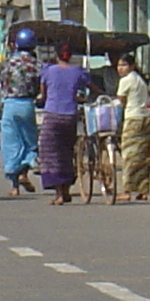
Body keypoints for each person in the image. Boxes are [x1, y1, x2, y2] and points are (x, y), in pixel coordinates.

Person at [37, 43, 99, 205]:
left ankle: (59, 194)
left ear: (56, 55)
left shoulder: (48, 71)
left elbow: (43, 94)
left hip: (52, 115)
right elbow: (93, 88)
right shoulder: (78, 72)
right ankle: (66, 190)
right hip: (70, 116)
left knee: (51, 154)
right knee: (66, 152)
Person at [0, 29, 43, 193]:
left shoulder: (8, 63)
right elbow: (41, 86)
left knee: (11, 144)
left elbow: (1, 81)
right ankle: (24, 171)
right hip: (28, 105)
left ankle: (14, 186)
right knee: (29, 142)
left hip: (9, 105)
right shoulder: (37, 64)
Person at [112, 52, 150, 200]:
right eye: (119, 65)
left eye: (124, 65)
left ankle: (127, 190)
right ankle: (143, 190)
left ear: (131, 66)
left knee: (129, 154)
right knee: (142, 155)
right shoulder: (140, 79)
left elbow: (121, 100)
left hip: (133, 119)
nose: (120, 68)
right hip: (145, 118)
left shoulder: (126, 80)